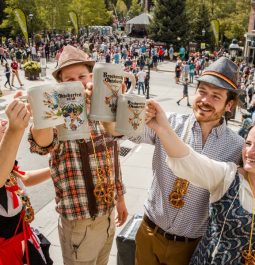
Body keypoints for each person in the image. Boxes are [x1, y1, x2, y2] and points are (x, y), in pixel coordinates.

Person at [102, 57, 244, 265]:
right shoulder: (169, 123)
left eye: (216, 96)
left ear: (229, 104)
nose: (205, 100)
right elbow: (115, 131)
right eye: (202, 91)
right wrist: (103, 104)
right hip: (149, 233)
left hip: (190, 246)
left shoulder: (237, 147)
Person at [28, 45, 128, 265]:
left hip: (108, 214)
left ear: (91, 77)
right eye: (68, 79)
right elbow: (41, 144)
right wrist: (40, 116)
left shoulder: (102, 110)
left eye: (81, 76)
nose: (76, 82)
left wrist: (120, 198)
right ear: (60, 85)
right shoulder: (56, 116)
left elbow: (114, 157)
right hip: (78, 224)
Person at [145, 99, 255, 264]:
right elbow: (189, 162)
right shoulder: (228, 176)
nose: (250, 151)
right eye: (248, 143)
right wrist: (162, 129)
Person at [0, 98, 51, 265]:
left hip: (25, 240)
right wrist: (15, 129)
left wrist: (56, 169)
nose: (2, 122)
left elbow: (25, 177)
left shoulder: (7, 161)